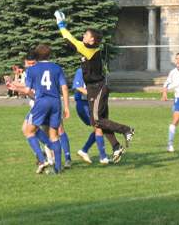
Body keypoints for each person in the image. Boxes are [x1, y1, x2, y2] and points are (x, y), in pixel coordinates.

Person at [55, 11, 134, 163]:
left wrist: (61, 24)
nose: (83, 35)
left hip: (97, 88)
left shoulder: (89, 49)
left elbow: (69, 39)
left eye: (86, 34)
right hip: (95, 88)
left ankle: (127, 130)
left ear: (92, 40)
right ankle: (116, 146)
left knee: (97, 121)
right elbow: (73, 41)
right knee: (100, 120)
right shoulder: (89, 48)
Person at [9, 44, 70, 174]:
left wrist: (15, 88)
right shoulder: (57, 68)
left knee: (28, 131)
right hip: (55, 102)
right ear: (49, 55)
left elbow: (27, 90)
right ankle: (58, 168)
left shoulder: (32, 70)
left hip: (42, 102)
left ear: (37, 56)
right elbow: (64, 88)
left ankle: (42, 160)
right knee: (54, 135)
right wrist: (66, 107)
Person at [73, 68, 125, 164]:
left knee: (99, 127)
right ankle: (102, 157)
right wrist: (93, 94)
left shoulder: (97, 71)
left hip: (93, 103)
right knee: (99, 126)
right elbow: (78, 87)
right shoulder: (81, 71)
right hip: (83, 104)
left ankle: (84, 151)